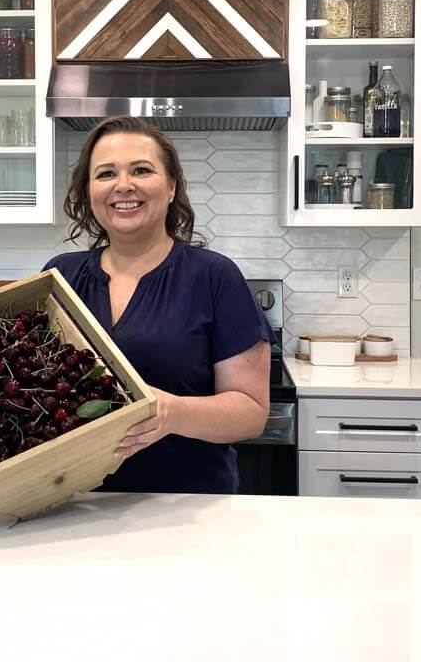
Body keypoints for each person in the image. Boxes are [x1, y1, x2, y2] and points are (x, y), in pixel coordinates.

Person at [42, 116, 274, 494]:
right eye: (105, 174)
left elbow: (251, 413)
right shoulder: (60, 277)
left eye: (141, 170)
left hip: (186, 508)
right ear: (88, 192)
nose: (123, 185)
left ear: (171, 187)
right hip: (74, 503)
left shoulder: (215, 277)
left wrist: (171, 413)